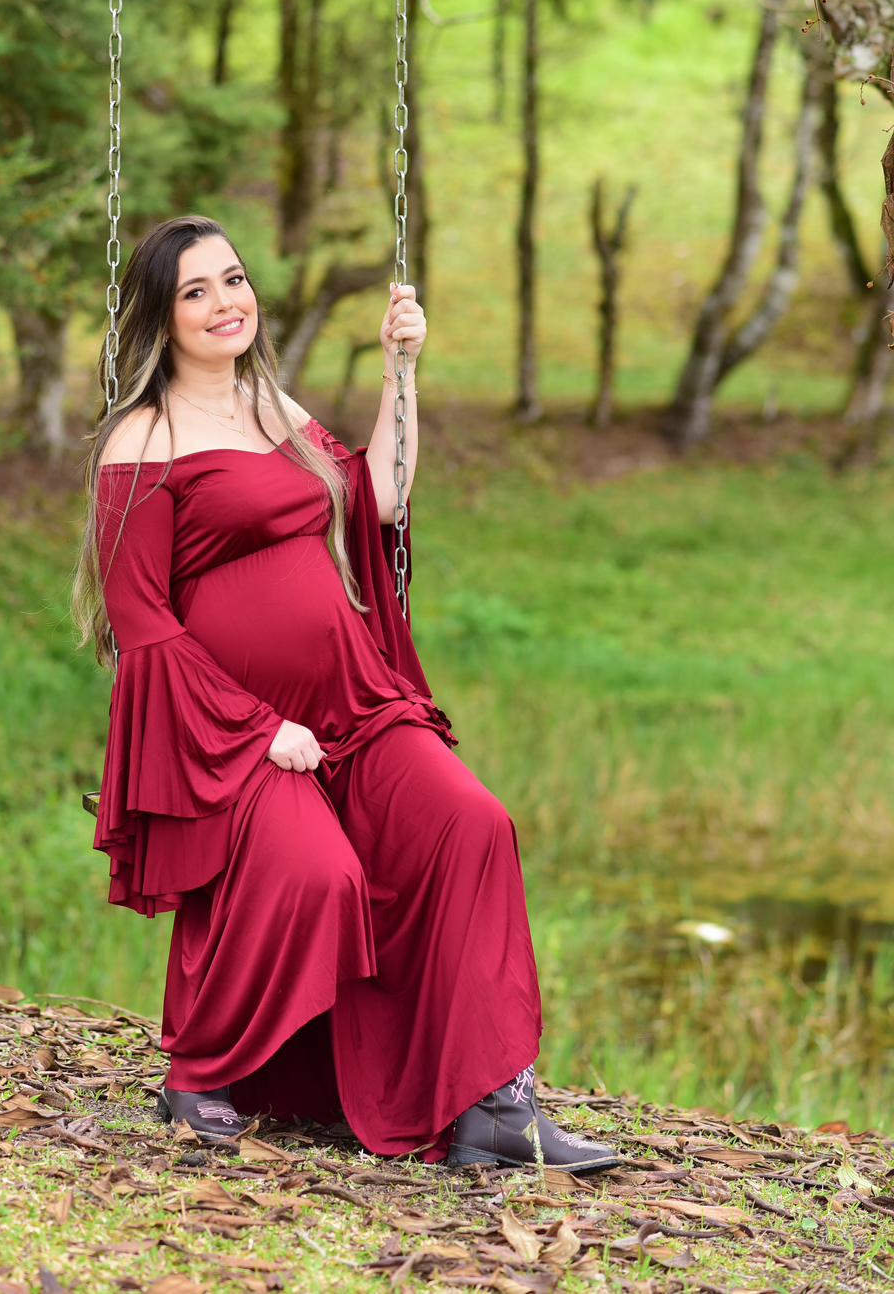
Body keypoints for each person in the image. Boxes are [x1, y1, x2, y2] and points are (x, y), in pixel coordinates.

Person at [73, 214, 617, 1169]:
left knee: (471, 823)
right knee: (319, 877)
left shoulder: (273, 406)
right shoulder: (141, 438)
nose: (224, 303)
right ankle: (200, 1070)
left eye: (232, 280)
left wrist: (397, 373)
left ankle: (495, 1103)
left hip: (355, 707)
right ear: (161, 316)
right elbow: (141, 620)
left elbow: (380, 500)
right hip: (238, 732)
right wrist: (253, 729)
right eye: (195, 291)